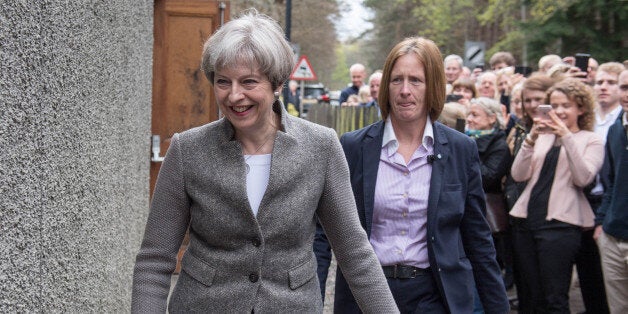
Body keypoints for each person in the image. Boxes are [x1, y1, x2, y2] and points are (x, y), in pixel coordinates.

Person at [131, 10, 398, 313]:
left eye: (248, 82)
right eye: (223, 82)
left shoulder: (320, 147)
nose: (234, 96)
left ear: (277, 84)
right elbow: (155, 260)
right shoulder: (187, 150)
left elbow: (354, 252)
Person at [318, 36, 509, 313]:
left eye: (416, 80)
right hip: (368, 293)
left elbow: (478, 239)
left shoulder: (460, 149)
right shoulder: (354, 147)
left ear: (433, 86)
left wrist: (497, 307)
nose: (405, 90)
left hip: (436, 294)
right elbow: (325, 234)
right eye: (397, 80)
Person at [510, 78, 604, 313]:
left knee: (555, 296)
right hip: (525, 221)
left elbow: (583, 178)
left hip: (561, 226)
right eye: (555, 105)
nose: (559, 111)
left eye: (566, 105)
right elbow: (518, 175)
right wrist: (530, 138)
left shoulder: (591, 140)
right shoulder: (541, 137)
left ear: (581, 108)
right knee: (532, 295)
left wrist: (566, 137)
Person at [576, 62, 625, 314]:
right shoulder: (592, 119)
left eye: (611, 83)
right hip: (591, 201)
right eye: (600, 82)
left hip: (610, 203)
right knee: (591, 275)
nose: (603, 87)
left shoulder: (620, 121)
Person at [594, 69, 628, 314]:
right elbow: (612, 181)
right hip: (613, 234)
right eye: (624, 87)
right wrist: (602, 222)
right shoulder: (617, 130)